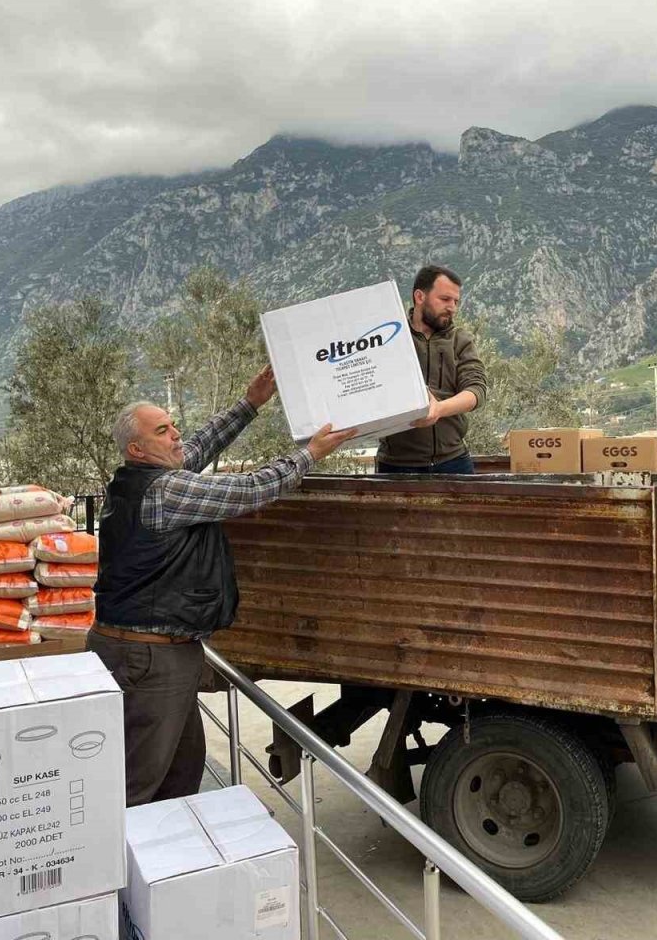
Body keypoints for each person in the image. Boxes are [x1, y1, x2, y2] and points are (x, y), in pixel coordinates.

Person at [89, 365, 358, 806]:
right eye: (162, 430)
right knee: (140, 784)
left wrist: (250, 403)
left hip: (159, 652)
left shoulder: (137, 481)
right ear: (137, 449)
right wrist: (310, 454)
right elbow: (250, 490)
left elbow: (197, 447)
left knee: (181, 773)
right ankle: (119, 854)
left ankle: (169, 849)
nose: (176, 434)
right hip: (149, 657)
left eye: (173, 425)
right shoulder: (165, 491)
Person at [376, 265, 487, 474]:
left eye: (455, 301)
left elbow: (476, 390)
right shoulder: (389, 337)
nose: (452, 308)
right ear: (420, 296)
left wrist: (438, 409)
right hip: (395, 464)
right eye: (445, 299)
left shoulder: (461, 340)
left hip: (454, 461)